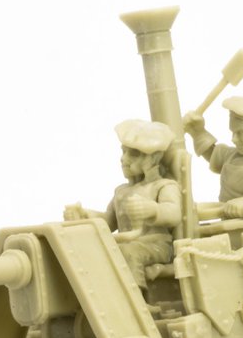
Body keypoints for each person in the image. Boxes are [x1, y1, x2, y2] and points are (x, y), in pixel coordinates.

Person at [64, 119, 182, 286]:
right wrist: (85, 215)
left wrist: (153, 210)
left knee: (128, 253)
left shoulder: (163, 186)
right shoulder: (122, 191)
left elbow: (174, 213)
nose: (123, 159)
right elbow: (110, 220)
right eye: (124, 152)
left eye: (133, 154)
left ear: (151, 159)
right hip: (128, 241)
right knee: (99, 251)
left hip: (157, 244)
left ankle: (137, 295)